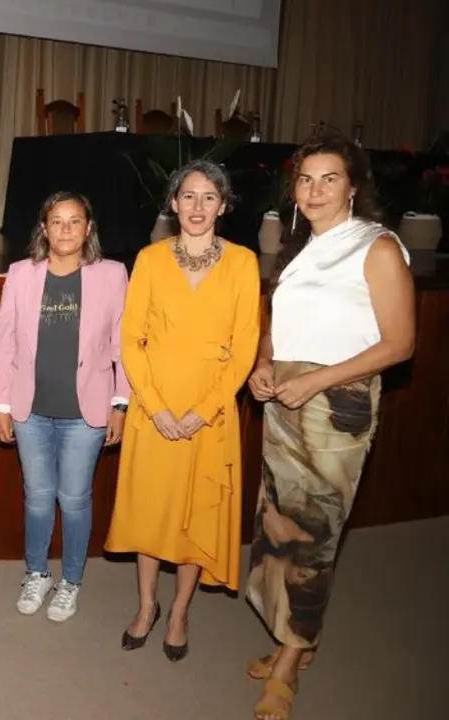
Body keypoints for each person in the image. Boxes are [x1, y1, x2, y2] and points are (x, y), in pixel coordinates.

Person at [245, 131, 414, 720]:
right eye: (306, 179)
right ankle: (296, 638)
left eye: (329, 179)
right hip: (284, 400)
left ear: (353, 187)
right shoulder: (298, 251)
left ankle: (288, 666)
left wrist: (317, 381)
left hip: (336, 404)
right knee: (279, 528)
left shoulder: (377, 247)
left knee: (314, 536)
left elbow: (400, 343)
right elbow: (276, 325)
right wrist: (263, 365)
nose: (315, 191)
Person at [104, 160, 260, 662]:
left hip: (210, 408)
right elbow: (131, 338)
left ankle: (179, 612)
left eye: (208, 197)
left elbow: (245, 347)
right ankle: (147, 605)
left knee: (197, 511)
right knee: (151, 510)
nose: (197, 207)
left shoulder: (243, 263)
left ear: (223, 206)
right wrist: (155, 406)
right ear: (173, 203)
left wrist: (206, 409)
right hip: (155, 405)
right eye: (188, 196)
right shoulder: (149, 259)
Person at [0, 191, 129, 623]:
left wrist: (120, 403)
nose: (65, 229)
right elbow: (4, 340)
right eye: (57, 221)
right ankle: (37, 573)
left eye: (74, 221)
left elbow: (123, 344)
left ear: (88, 228)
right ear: (44, 229)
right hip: (30, 410)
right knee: (37, 497)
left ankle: (70, 580)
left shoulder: (112, 274)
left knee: (74, 498)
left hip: (86, 413)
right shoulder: (21, 273)